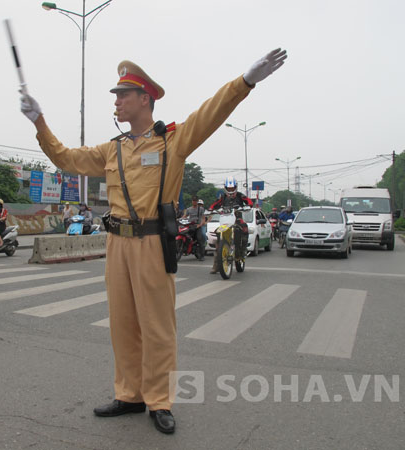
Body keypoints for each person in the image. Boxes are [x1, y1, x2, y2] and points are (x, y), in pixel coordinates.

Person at [20, 49, 287, 434]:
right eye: (116, 95)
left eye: (122, 94)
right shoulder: (109, 150)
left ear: (144, 98)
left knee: (157, 327)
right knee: (122, 324)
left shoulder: (171, 143)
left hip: (150, 243)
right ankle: (130, 394)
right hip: (117, 245)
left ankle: (158, 400)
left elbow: (210, 115)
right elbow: (65, 158)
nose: (116, 101)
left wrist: (245, 81)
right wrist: (39, 121)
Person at [207, 176, 253, 274]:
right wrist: (210, 209)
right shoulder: (223, 197)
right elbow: (215, 204)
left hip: (237, 218)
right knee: (218, 236)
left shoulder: (240, 196)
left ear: (235, 187)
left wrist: (247, 206)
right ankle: (216, 264)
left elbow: (249, 201)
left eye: (232, 188)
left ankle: (243, 249)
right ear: (226, 188)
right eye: (229, 188)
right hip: (225, 220)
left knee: (244, 228)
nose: (231, 190)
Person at [182, 196, 206, 260]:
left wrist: (200, 224)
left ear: (197, 201)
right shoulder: (189, 209)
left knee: (199, 239)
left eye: (195, 201)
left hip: (197, 226)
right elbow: (184, 216)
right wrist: (179, 219)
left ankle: (202, 255)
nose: (194, 202)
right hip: (190, 225)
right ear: (192, 201)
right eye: (193, 201)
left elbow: (203, 218)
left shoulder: (201, 209)